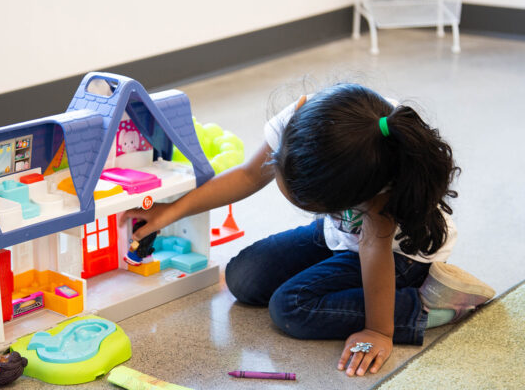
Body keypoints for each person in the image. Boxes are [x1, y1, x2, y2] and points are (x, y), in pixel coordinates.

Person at [122, 83, 495, 377]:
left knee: (291, 308)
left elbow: (373, 248)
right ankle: (346, 273)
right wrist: (170, 211)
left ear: (341, 199)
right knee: (244, 278)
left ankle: (426, 305)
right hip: (345, 234)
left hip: (397, 254)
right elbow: (250, 174)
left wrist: (379, 331)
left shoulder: (379, 174)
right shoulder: (306, 119)